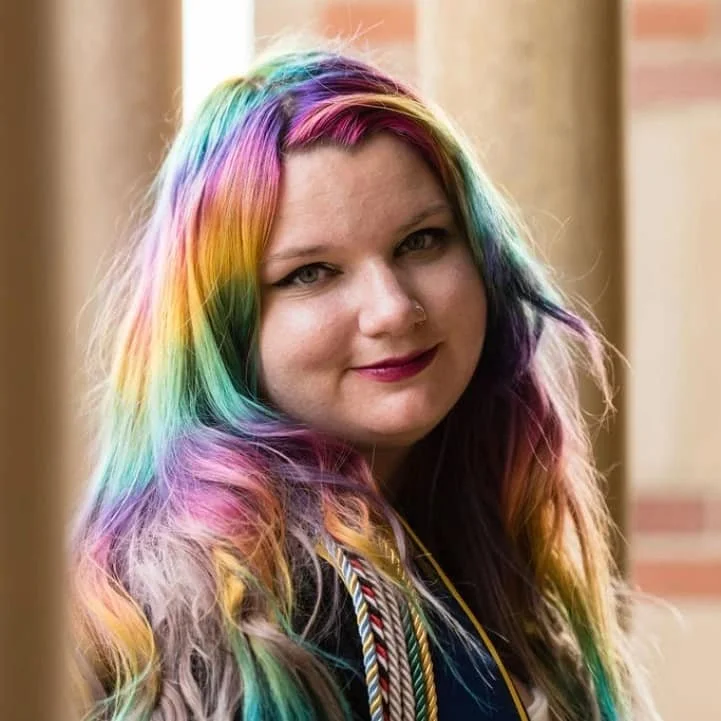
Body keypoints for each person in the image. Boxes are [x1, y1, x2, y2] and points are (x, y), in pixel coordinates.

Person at [69, 45, 658, 721]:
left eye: (421, 241)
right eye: (311, 273)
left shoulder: (473, 537)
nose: (393, 309)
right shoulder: (232, 612)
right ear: (222, 325)